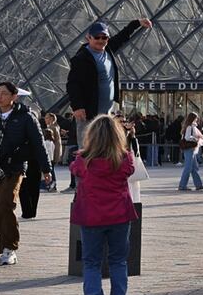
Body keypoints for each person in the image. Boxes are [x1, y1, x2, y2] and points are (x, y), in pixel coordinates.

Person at [64, 18, 152, 192]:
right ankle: (83, 189)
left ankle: (104, 186)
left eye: (104, 37)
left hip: (108, 112)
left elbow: (122, 37)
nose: (101, 40)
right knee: (87, 151)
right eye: (97, 37)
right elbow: (72, 84)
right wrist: (77, 106)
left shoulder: (108, 50)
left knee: (108, 150)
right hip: (89, 112)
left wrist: (136, 23)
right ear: (88, 38)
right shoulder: (81, 58)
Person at [0, 81, 53, 266]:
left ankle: (10, 248)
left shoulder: (26, 117)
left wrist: (46, 169)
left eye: (3, 93)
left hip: (15, 167)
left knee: (6, 203)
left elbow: (38, 143)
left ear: (14, 97)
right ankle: (6, 247)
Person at [70, 114, 138, 295]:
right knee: (118, 261)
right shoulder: (125, 158)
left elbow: (74, 169)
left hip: (91, 216)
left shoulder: (83, 160)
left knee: (91, 262)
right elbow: (130, 170)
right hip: (119, 215)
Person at [177, 113, 203, 191]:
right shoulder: (190, 127)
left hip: (190, 149)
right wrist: (196, 139)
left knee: (194, 167)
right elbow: (187, 137)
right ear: (193, 118)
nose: (197, 119)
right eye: (196, 118)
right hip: (189, 148)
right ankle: (182, 185)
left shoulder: (190, 126)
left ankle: (198, 185)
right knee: (188, 168)